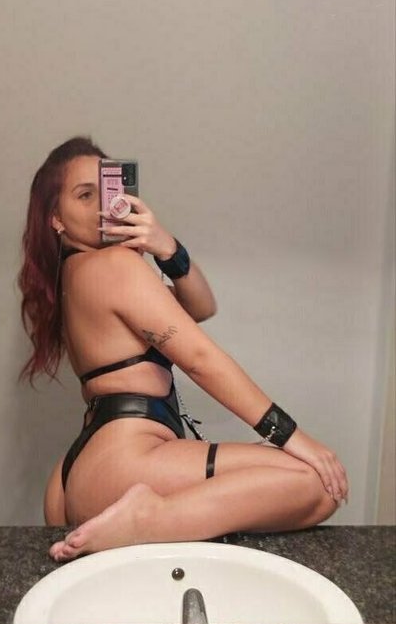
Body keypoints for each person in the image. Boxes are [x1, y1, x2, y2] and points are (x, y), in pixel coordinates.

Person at [18, 136, 348, 562]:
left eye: (107, 189)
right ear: (56, 218)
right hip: (126, 460)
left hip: (81, 470)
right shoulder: (114, 266)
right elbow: (200, 359)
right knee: (319, 483)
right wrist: (292, 436)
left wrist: (168, 248)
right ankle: (148, 517)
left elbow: (201, 306)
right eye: (84, 195)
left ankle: (147, 517)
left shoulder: (75, 274)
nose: (102, 205)